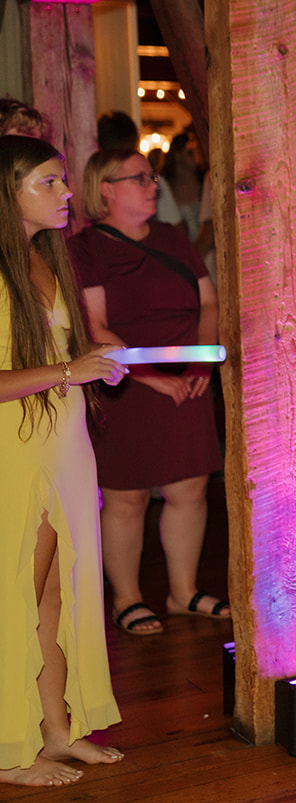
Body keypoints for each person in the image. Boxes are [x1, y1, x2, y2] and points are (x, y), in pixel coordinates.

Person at [0, 136, 128, 787]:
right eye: (48, 182)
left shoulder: (47, 258)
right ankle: (8, 746)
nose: (65, 192)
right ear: (7, 190)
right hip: (14, 446)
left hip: (64, 435)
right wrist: (65, 368)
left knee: (54, 590)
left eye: (62, 181)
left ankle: (52, 729)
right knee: (14, 593)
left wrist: (96, 356)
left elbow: (59, 353)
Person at [69, 148, 229, 635]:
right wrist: (153, 377)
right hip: (126, 383)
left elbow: (209, 301)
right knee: (127, 497)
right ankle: (127, 597)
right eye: (140, 177)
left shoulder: (171, 236)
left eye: (152, 176)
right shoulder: (85, 248)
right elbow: (95, 325)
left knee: (190, 488)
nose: (152, 184)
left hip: (188, 380)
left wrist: (201, 357)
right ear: (106, 190)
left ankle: (182, 591)